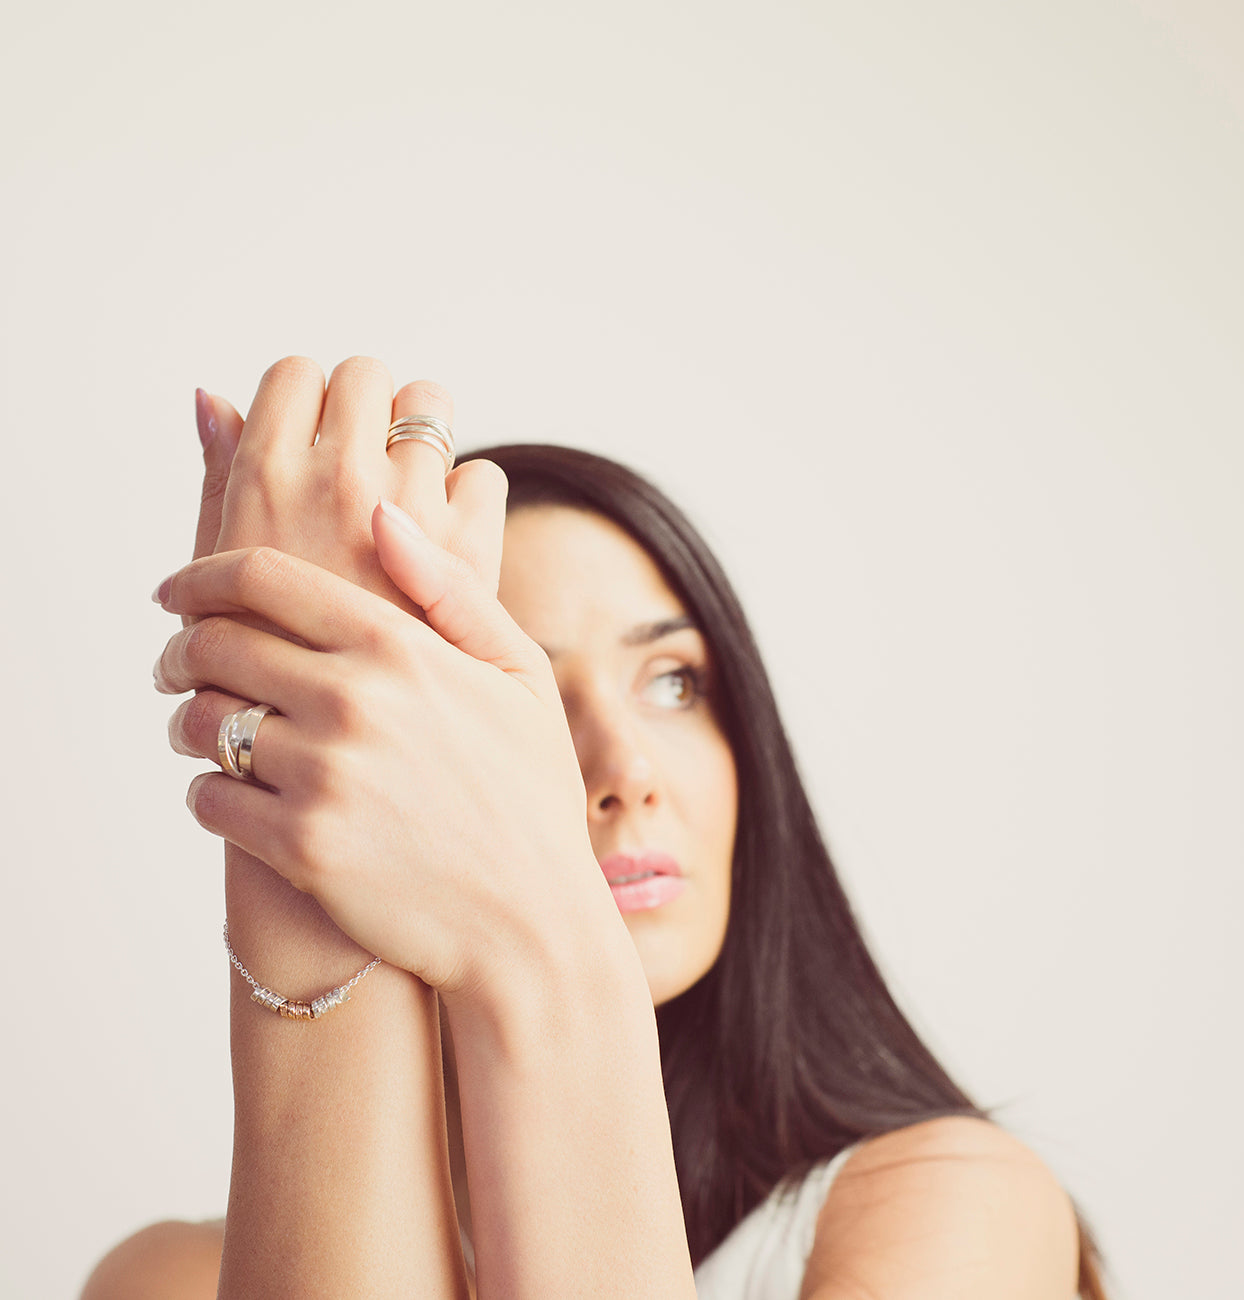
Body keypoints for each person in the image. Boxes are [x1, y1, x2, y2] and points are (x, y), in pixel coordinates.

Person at [84, 357, 1108, 1299]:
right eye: (523, 704)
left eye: (673, 680)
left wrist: (535, 946)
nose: (625, 771)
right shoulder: (171, 1279)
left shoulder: (949, 1204)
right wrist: (299, 867)